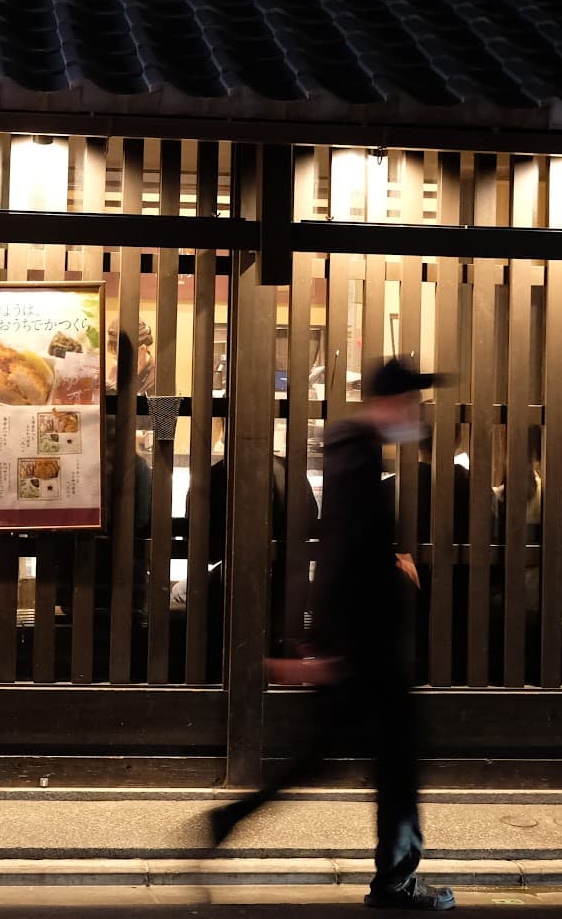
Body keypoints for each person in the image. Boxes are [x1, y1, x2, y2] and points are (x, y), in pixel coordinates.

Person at [208, 357, 456, 912]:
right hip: (367, 650)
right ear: (392, 403)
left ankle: (231, 817)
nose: (416, 414)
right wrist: (323, 648)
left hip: (358, 646)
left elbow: (343, 550)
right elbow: (342, 555)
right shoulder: (358, 456)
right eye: (411, 403)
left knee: (324, 758)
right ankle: (395, 881)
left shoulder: (350, 451)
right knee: (395, 766)